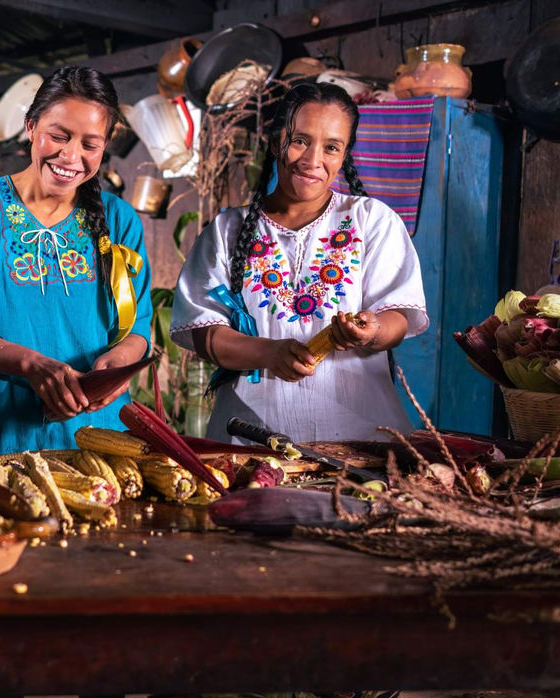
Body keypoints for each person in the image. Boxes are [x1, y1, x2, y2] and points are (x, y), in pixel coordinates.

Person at [0, 66, 151, 698]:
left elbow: (136, 328)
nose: (73, 155)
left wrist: (117, 369)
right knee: (2, 606)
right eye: (60, 134)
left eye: (92, 144)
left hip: (97, 444)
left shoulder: (115, 220)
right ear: (31, 129)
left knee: (100, 602)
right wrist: (29, 365)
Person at [170, 81, 428, 443]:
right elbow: (202, 333)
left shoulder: (373, 220)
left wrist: (371, 330)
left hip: (360, 441)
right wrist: (267, 353)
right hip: (248, 438)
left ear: (344, 155)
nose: (312, 161)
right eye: (300, 140)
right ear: (277, 140)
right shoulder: (227, 231)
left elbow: (398, 319)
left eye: (332, 147)